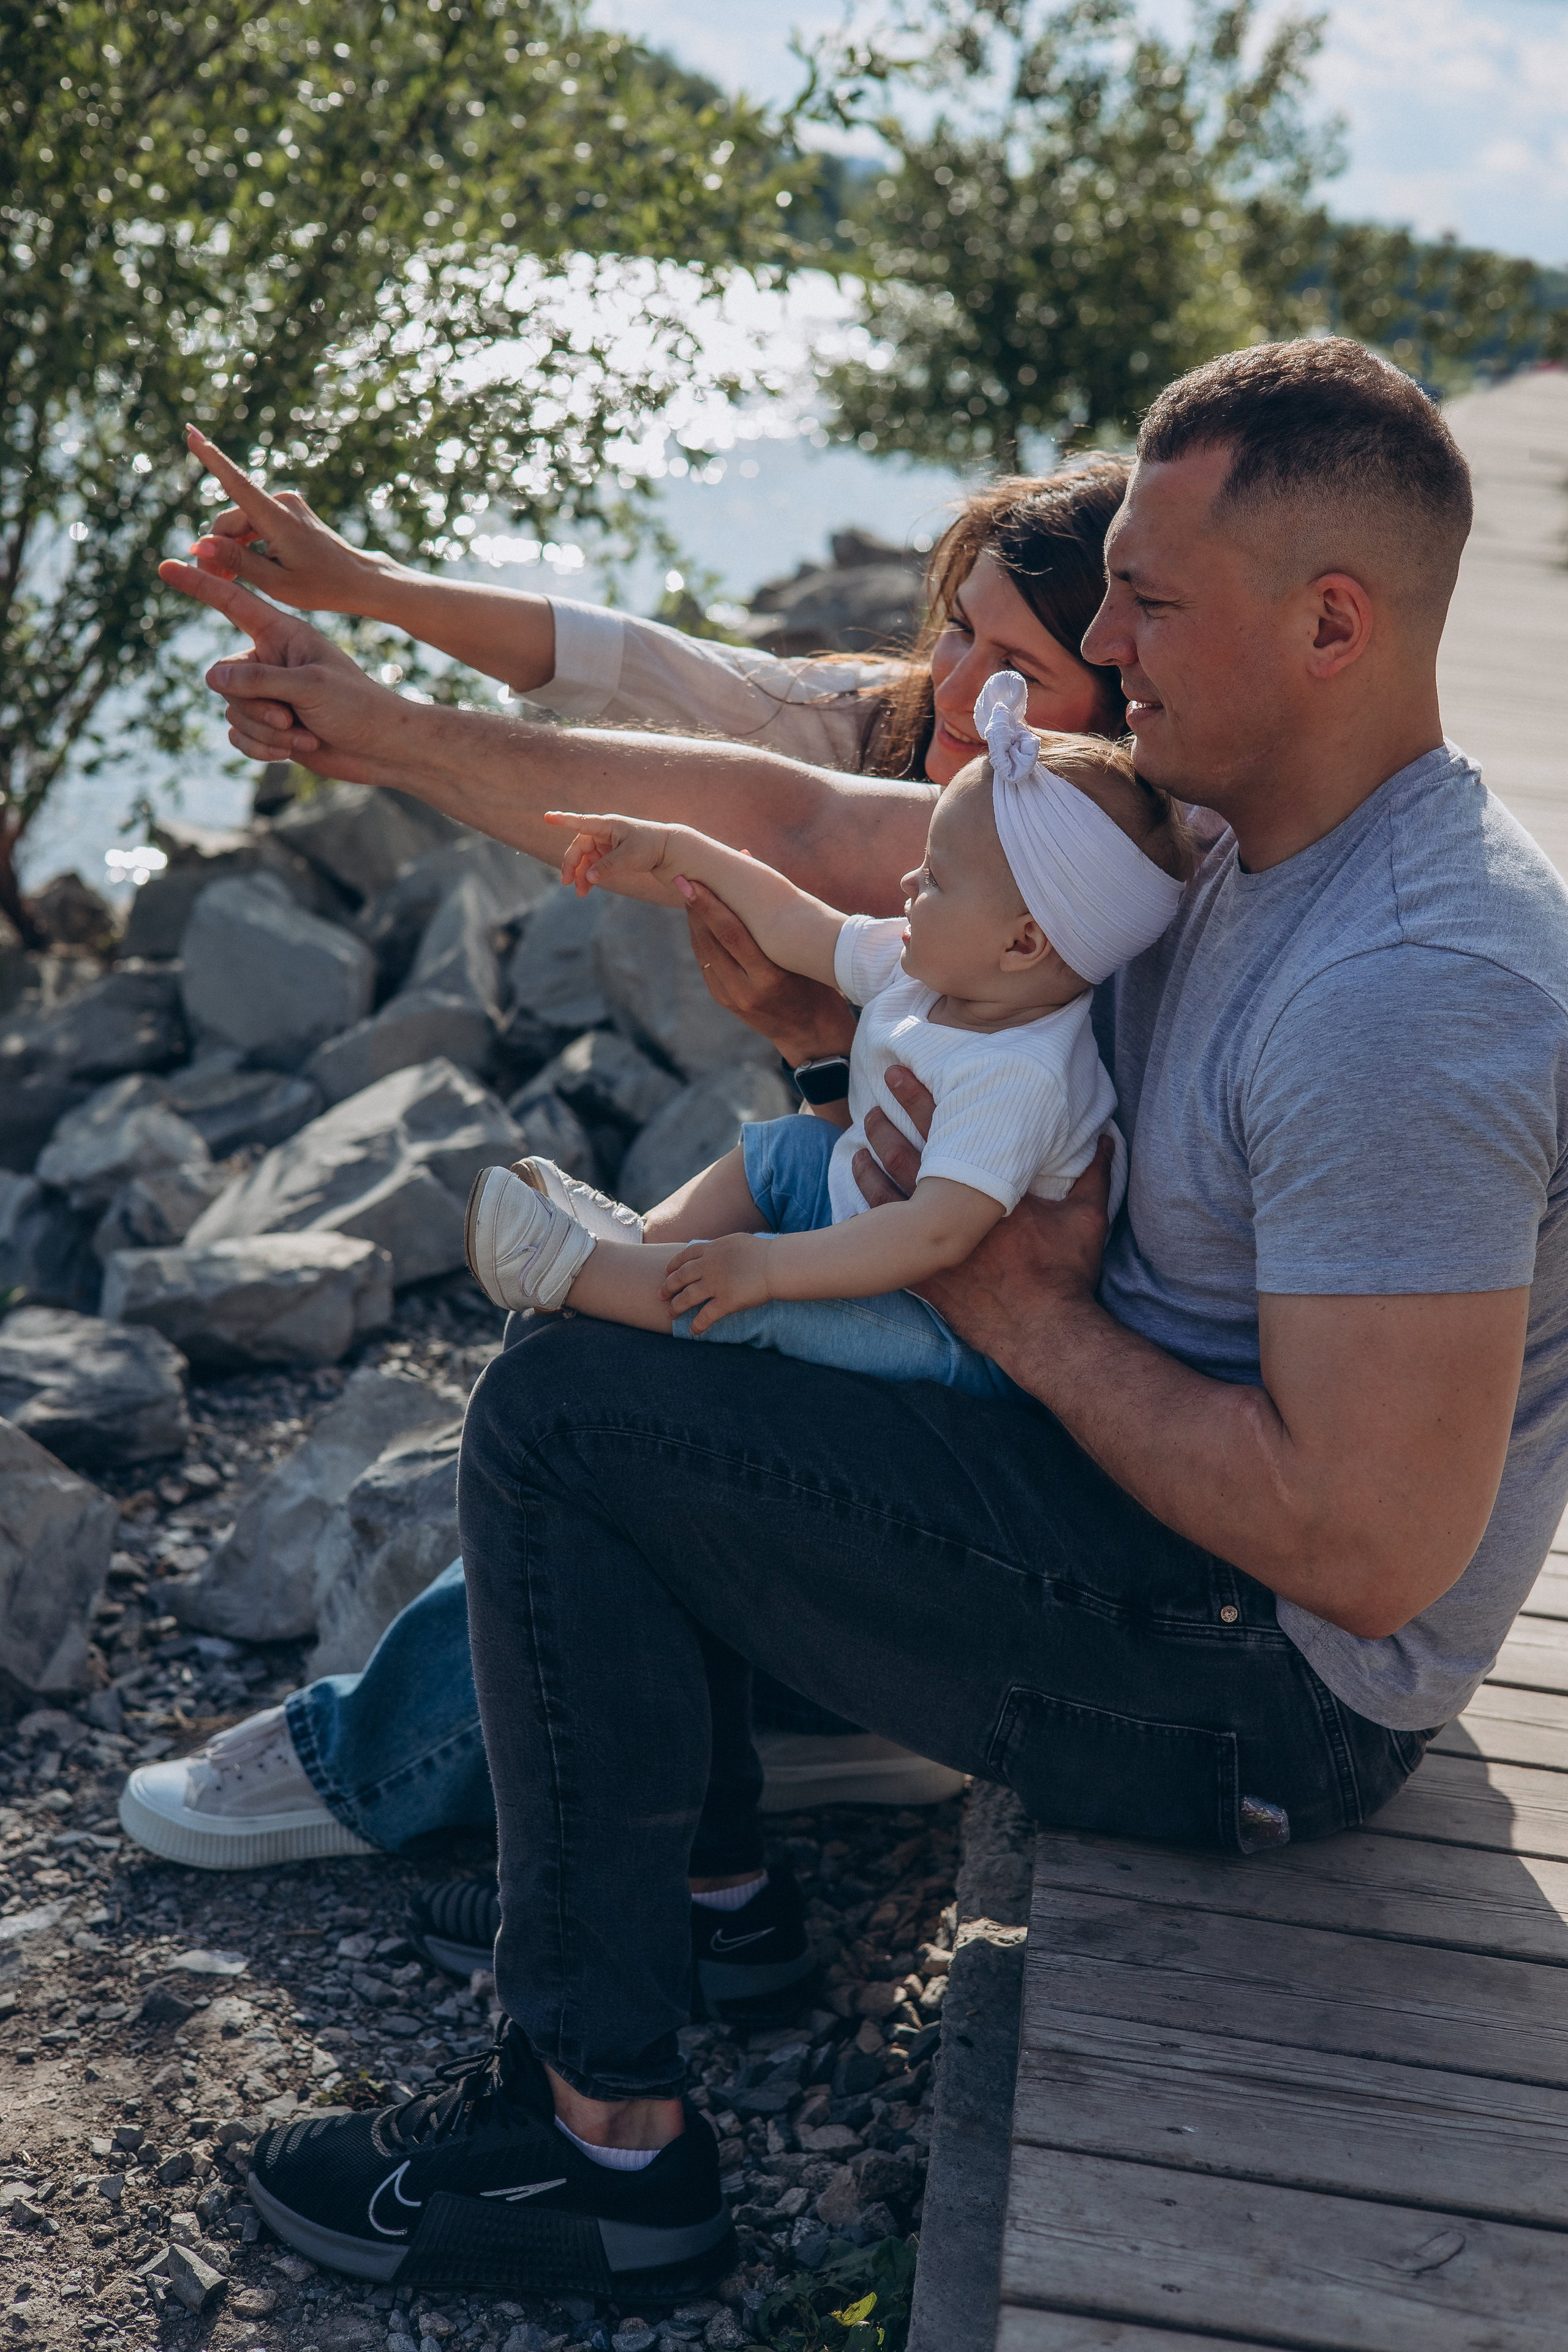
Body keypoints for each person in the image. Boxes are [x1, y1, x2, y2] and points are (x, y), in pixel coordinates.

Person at [178, 336, 1568, 2302]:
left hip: (1262, 1687)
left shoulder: (1411, 988)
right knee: (645, 1336)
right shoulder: (1228, 830)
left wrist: (1008, 1303)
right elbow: (791, 800)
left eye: (1146, 603)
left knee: (577, 1411)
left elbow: (1367, 1548)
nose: (1105, 641)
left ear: (1332, 620)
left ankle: (600, 2152)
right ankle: (709, 1902)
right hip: (1148, 1515)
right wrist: (388, 718)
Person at [120, 452, 1134, 1898]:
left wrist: (391, 734)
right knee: (611, 1333)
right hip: (889, 1263)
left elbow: (777, 827)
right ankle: (788, 1720)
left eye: (1018, 662)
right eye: (955, 625)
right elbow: (646, 677)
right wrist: (365, 589)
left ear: (1112, 699)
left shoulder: (1084, 848)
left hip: (980, 1374)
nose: (964, 683)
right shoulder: (920, 726)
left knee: (621, 1373)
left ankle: (384, 1756)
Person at [465, 696, 1189, 1394]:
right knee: (786, 1151)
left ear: (1022, 941)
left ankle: (574, 1273)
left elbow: (932, 1238)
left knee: (755, 1303)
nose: (909, 881)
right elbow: (795, 923)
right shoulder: (930, 970)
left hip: (945, 1327)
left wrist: (767, 1269)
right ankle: (639, 1248)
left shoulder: (1021, 1074)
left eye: (934, 877)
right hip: (867, 1227)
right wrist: (676, 848)